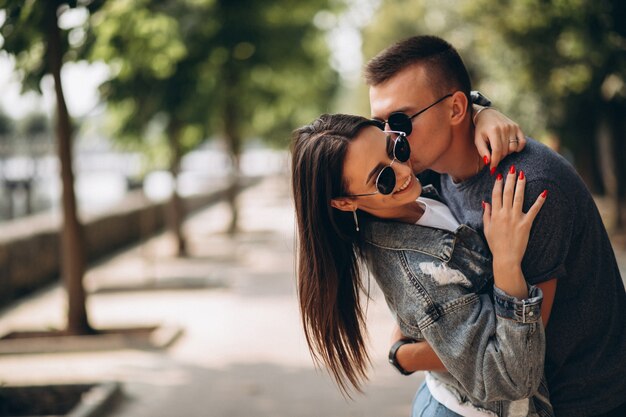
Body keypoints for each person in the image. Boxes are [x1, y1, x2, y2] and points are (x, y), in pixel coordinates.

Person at [364, 35, 626, 417]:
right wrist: (482, 107)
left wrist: (403, 355)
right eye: (381, 124)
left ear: (456, 108)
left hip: (575, 401)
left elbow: (518, 352)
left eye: (401, 121)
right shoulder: (427, 177)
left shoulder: (527, 186)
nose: (391, 139)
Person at [291, 113, 552, 416]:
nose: (403, 170)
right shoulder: (420, 273)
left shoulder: (406, 198)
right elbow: (510, 379)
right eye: (382, 179)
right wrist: (507, 263)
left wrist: (478, 113)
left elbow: (429, 110)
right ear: (345, 202)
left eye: (397, 148)